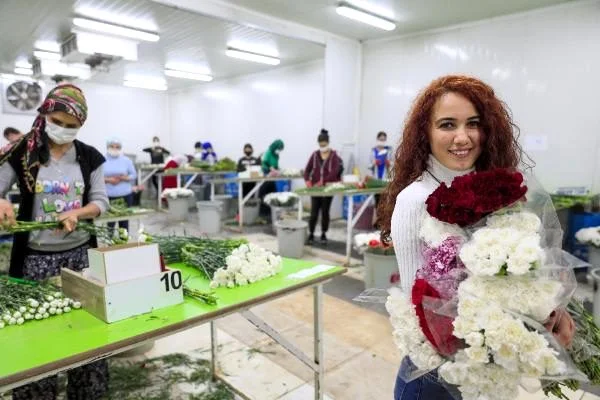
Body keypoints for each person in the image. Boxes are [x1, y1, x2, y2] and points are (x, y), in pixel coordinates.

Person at [377, 75, 574, 400]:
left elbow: (527, 269)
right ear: (425, 132)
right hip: (435, 376)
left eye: (473, 123)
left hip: (491, 371)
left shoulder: (496, 189)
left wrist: (551, 311)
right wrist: (506, 332)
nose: (462, 137)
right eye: (447, 124)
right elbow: (421, 307)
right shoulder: (414, 199)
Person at [0, 84, 109, 399]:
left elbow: (101, 202)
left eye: (70, 125)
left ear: (81, 125)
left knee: (87, 336)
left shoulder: (89, 157)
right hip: (35, 261)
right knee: (37, 340)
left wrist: (79, 211)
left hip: (81, 260)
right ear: (45, 114)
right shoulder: (24, 152)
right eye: (57, 121)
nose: (62, 129)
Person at [304, 130, 342, 244]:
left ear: (328, 143)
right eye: (321, 145)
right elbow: (307, 170)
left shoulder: (334, 156)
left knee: (325, 212)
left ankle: (323, 234)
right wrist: (307, 181)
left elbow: (335, 172)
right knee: (314, 213)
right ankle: (311, 234)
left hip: (328, 189)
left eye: (324, 145)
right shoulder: (315, 155)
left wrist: (323, 181)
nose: (322, 147)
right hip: (315, 189)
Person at [104, 137, 137, 231]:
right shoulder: (101, 160)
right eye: (112, 146)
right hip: (109, 196)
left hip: (125, 196)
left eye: (117, 147)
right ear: (107, 147)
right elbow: (96, 178)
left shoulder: (126, 160)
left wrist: (124, 178)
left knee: (124, 223)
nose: (115, 148)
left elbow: (134, 175)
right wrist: (109, 180)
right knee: (110, 223)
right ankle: (109, 239)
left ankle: (124, 239)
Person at [259, 139, 284, 217]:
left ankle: (271, 212)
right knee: (264, 192)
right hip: (266, 173)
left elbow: (276, 165)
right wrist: (271, 168)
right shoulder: (268, 152)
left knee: (273, 193)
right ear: (275, 147)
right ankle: (263, 213)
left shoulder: (276, 155)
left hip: (272, 175)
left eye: (280, 149)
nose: (279, 151)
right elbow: (265, 162)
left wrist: (278, 170)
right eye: (278, 149)